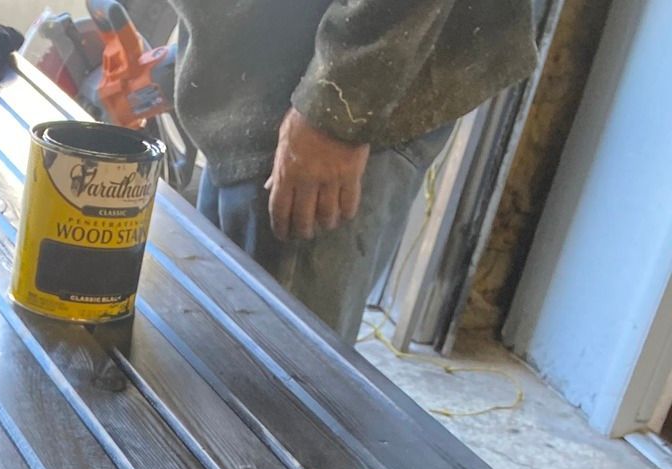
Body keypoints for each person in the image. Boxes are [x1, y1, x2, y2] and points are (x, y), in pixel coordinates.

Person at [163, 0, 537, 339]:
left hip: (328, 99)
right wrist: (184, 59)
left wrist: (336, 107)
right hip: (255, 78)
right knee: (218, 332)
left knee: (280, 359)